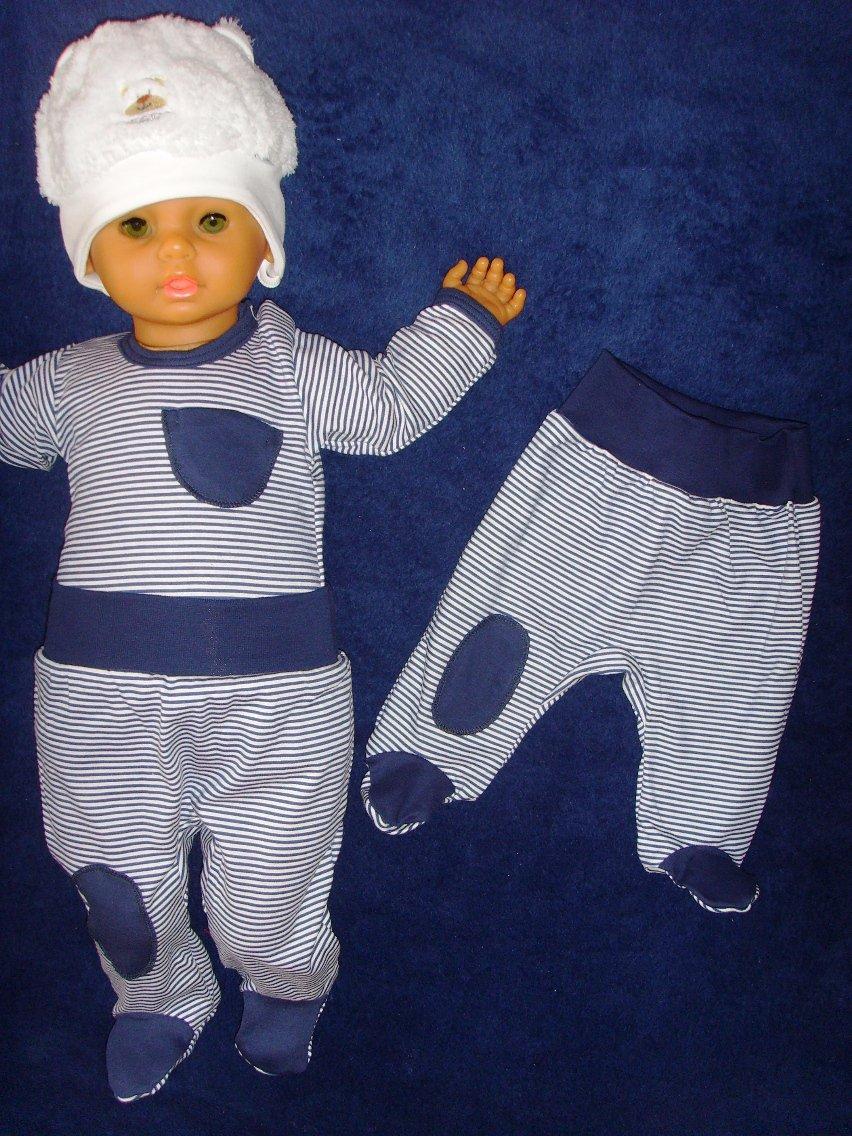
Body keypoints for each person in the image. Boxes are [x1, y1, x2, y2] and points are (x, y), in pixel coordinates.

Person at [0, 13, 525, 1102]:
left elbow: (388, 406)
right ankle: (158, 992)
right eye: (135, 224)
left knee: (277, 868)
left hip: (278, 694)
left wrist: (460, 327)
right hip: (99, 698)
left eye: (209, 218)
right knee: (116, 881)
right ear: (90, 255)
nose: (176, 252)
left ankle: (286, 976)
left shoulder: (289, 361)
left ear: (262, 239)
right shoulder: (68, 380)